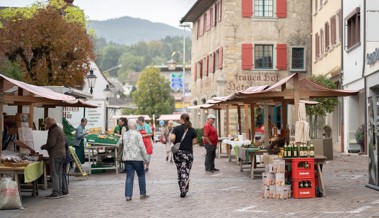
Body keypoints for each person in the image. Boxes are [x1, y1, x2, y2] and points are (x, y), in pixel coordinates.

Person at [116, 119, 149, 201]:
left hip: (127, 158)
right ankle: (142, 193)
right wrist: (146, 159)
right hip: (137, 158)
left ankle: (128, 195)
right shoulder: (138, 134)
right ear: (135, 126)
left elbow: (118, 144)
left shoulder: (124, 135)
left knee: (129, 176)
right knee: (141, 175)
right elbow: (142, 147)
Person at [170, 113, 197, 198]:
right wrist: (188, 142)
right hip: (188, 153)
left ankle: (182, 187)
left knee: (180, 170)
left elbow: (172, 138)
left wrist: (175, 141)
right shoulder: (192, 130)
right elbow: (195, 142)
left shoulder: (176, 128)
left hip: (178, 154)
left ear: (182, 119)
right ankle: (184, 185)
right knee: (186, 171)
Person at [41, 117, 66, 199]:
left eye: (46, 123)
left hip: (56, 155)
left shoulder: (53, 130)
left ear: (49, 123)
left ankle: (56, 193)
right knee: (59, 174)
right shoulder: (59, 129)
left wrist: (43, 147)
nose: (45, 125)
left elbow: (51, 143)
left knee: (54, 174)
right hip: (62, 154)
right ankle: (60, 191)